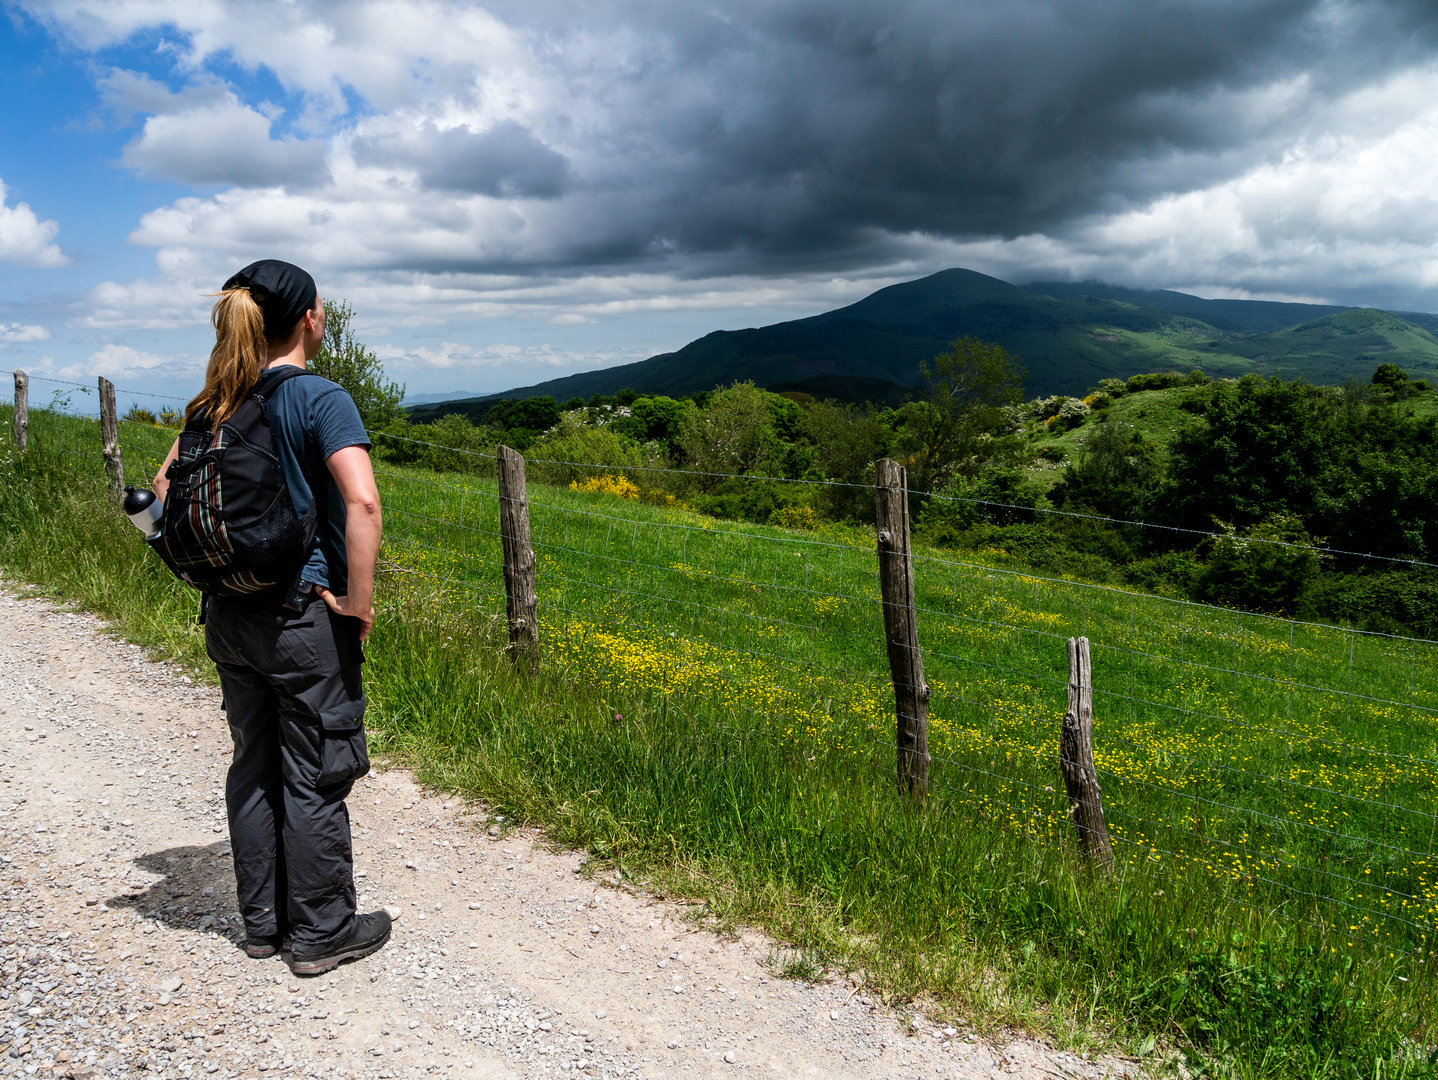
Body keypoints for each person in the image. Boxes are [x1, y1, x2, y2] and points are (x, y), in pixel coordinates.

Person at [152, 259, 392, 976]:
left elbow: (163, 491)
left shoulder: (212, 404)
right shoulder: (320, 398)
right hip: (299, 616)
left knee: (252, 765)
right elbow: (363, 502)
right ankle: (321, 932)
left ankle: (262, 925)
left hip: (228, 616)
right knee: (315, 771)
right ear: (312, 320)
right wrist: (356, 599)